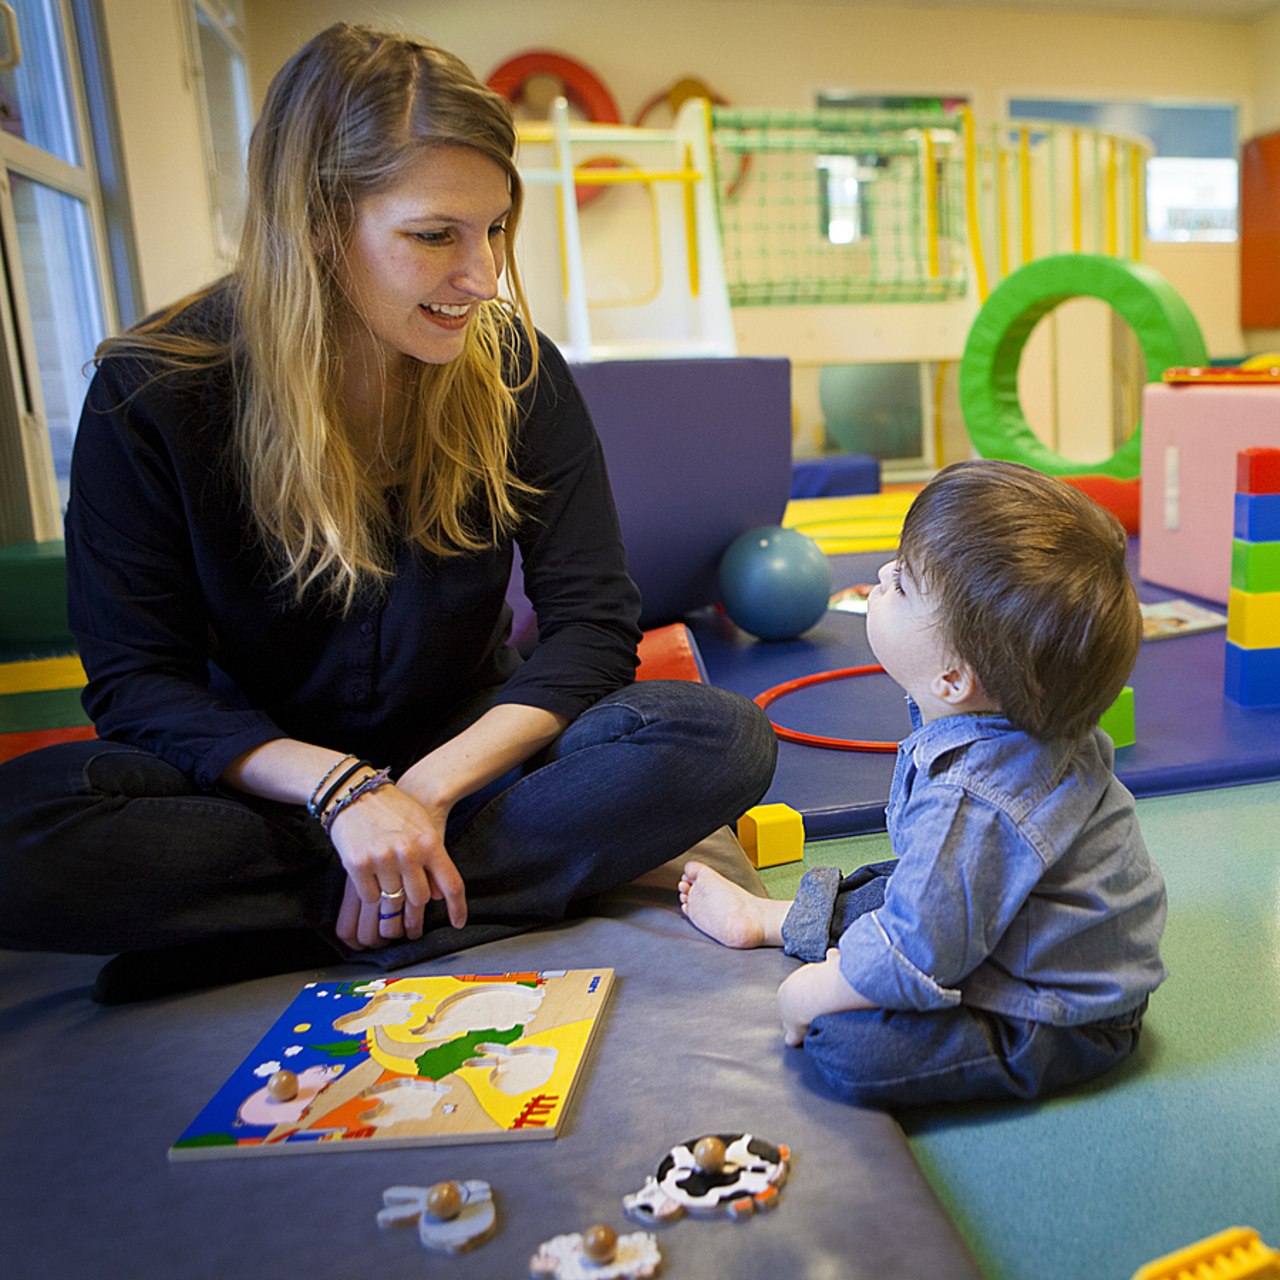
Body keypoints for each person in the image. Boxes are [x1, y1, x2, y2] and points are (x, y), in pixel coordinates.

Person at [0, 24, 776, 1003]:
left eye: (494, 227)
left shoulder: (518, 371)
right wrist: (340, 794)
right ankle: (437, 895)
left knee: (715, 737)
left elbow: (590, 629)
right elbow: (137, 683)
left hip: (462, 764)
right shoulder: (149, 391)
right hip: (259, 786)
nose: (483, 275)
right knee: (17, 829)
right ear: (320, 223)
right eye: (432, 235)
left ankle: (308, 912)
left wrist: (418, 794)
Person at [679, 461, 1167, 1108]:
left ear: (953, 679)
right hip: (1010, 924)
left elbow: (921, 942)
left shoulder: (979, 795)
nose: (882, 575)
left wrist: (815, 991)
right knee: (896, 884)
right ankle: (770, 920)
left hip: (1056, 1010)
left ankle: (834, 961)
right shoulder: (1010, 717)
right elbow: (933, 887)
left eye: (903, 583)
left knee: (847, 1046)